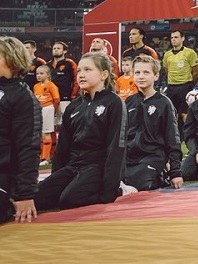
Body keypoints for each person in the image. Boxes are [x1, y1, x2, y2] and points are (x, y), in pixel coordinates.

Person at [35, 52, 125, 212]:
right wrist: (57, 178)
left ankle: (121, 190)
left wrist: (110, 189)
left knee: (69, 200)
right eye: (79, 71)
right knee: (36, 198)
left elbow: (116, 147)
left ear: (104, 75)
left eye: (88, 70)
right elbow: (62, 148)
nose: (81, 75)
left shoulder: (114, 102)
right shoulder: (73, 106)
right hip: (73, 166)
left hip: (96, 167)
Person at [124, 55, 183, 191]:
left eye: (146, 72)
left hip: (152, 156)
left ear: (156, 76)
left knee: (142, 184)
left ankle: (162, 175)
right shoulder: (128, 102)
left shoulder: (164, 103)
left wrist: (175, 172)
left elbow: (172, 138)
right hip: (129, 158)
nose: (141, 76)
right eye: (137, 73)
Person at [1, 36, 42, 223]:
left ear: (11, 59)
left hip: (5, 176)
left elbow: (28, 147)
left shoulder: (23, 97)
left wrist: (25, 194)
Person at [163, 31, 198, 129]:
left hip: (185, 86)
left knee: (185, 114)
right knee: (172, 114)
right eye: (172, 38)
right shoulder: (167, 55)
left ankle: (188, 134)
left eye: (176, 37)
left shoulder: (190, 53)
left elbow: (196, 72)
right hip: (171, 87)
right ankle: (174, 134)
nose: (173, 39)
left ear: (182, 38)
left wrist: (190, 85)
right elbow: (167, 70)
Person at [32, 64, 60, 166]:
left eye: (41, 73)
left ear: (48, 75)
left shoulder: (51, 85)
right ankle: (43, 156)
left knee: (46, 133)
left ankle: (46, 158)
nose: (38, 75)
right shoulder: (36, 86)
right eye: (37, 74)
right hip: (39, 110)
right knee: (40, 134)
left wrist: (54, 111)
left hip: (48, 108)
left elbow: (56, 99)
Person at [49, 41, 78, 121]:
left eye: (58, 48)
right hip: (50, 100)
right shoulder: (48, 65)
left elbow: (76, 79)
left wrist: (73, 95)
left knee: (65, 123)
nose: (56, 50)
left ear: (65, 51)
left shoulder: (70, 63)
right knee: (51, 124)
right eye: (54, 48)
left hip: (65, 99)